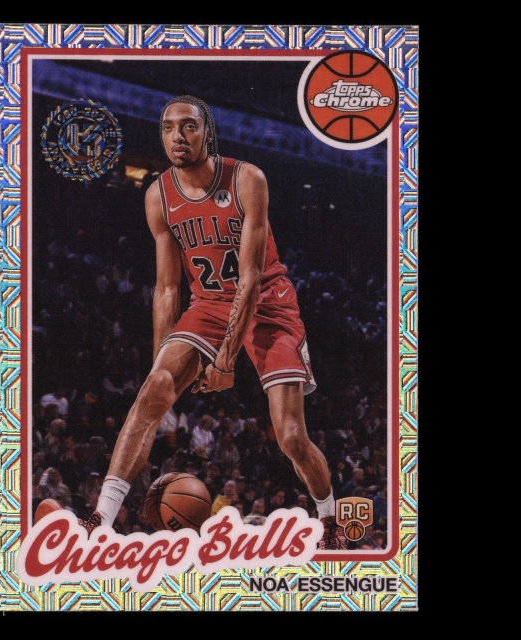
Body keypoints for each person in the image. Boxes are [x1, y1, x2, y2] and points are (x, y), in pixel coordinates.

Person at [38, 94, 346, 549]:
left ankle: (331, 521)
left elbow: (250, 278)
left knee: (291, 436)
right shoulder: (158, 196)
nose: (177, 136)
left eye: (189, 126)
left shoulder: (246, 179)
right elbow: (167, 289)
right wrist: (162, 363)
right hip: (208, 304)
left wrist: (224, 361)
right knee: (151, 392)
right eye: (167, 127)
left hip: (268, 305)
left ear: (207, 133)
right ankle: (98, 520)